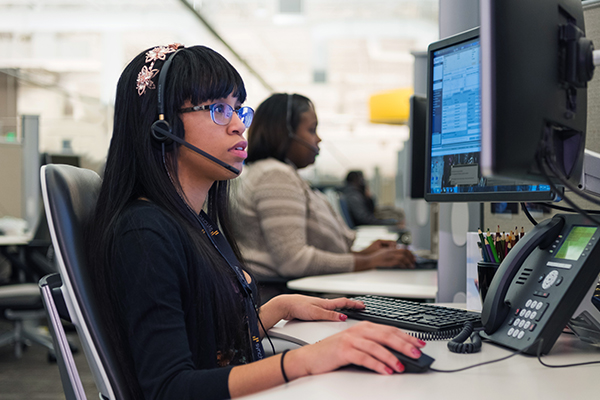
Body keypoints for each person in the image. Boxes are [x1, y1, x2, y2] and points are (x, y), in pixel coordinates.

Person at [84, 45, 426, 400]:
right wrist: (303, 361)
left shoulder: (195, 223)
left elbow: (207, 343)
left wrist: (278, 307)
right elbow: (169, 389)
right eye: (218, 109)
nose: (238, 126)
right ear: (162, 126)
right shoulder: (145, 234)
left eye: (237, 110)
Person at [231, 93, 415, 281]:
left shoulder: (277, 173)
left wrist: (365, 255)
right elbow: (294, 261)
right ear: (286, 133)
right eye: (312, 130)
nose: (318, 139)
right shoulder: (274, 176)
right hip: (286, 296)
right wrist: (369, 262)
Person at [341, 170, 405, 228]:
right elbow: (365, 219)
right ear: (358, 181)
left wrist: (368, 198)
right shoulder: (353, 197)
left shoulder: (354, 194)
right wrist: (392, 223)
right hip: (363, 229)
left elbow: (372, 212)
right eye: (362, 180)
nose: (364, 182)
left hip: (364, 227)